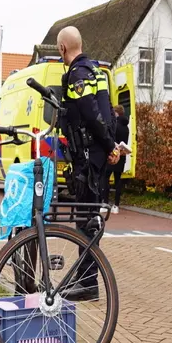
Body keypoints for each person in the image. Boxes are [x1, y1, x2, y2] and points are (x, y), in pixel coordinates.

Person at [56, 26, 120, 301]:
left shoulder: (78, 75)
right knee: (88, 214)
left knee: (85, 217)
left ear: (62, 49)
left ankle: (88, 282)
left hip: (87, 157)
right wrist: (111, 146)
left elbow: (92, 115)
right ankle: (83, 276)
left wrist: (106, 146)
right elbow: (108, 113)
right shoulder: (98, 72)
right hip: (98, 155)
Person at [102, 105, 130, 214]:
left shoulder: (115, 125)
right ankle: (116, 205)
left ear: (116, 113)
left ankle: (105, 203)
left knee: (106, 178)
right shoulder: (126, 127)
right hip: (121, 156)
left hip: (112, 154)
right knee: (118, 180)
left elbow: (110, 139)